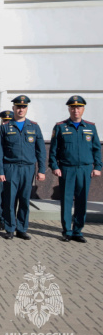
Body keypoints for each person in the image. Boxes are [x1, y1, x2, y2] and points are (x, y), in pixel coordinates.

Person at [48, 95, 102, 243]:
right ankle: (67, 231)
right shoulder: (60, 127)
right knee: (66, 201)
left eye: (78, 107)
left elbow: (97, 149)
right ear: (69, 109)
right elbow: (53, 150)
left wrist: (98, 166)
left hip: (85, 169)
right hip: (67, 169)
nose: (75, 110)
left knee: (82, 200)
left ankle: (78, 231)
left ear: (83, 109)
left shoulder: (90, 127)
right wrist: (54, 166)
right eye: (72, 107)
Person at [0, 96, 46, 241]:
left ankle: (22, 229)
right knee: (10, 200)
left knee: (24, 200)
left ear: (27, 108)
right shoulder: (5, 127)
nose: (20, 109)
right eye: (18, 106)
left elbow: (40, 150)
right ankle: (10, 228)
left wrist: (41, 170)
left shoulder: (34, 127)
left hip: (28, 168)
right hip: (10, 167)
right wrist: (0, 170)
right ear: (13, 108)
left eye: (23, 107)